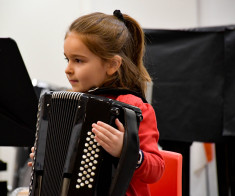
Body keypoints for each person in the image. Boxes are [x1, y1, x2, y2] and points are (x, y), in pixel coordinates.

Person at [29, 10, 165, 196]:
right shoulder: (69, 103)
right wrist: (45, 159)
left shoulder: (133, 107)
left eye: (78, 60)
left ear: (112, 65)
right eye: (67, 59)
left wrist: (126, 150)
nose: (68, 69)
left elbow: (156, 169)